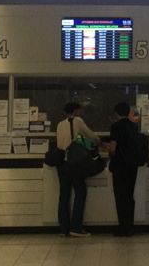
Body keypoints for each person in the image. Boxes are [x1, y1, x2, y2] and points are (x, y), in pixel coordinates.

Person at [55, 102, 99, 238]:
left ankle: (63, 229)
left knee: (64, 195)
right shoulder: (77, 121)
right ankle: (76, 227)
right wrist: (99, 141)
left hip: (61, 162)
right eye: (80, 110)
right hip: (74, 164)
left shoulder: (60, 124)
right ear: (75, 110)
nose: (81, 112)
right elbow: (90, 136)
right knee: (80, 193)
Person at [106, 102, 141, 237]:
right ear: (128, 113)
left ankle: (123, 228)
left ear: (116, 113)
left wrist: (109, 152)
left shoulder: (115, 127)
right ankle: (130, 227)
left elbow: (113, 149)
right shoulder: (134, 126)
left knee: (120, 197)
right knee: (129, 196)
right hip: (132, 166)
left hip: (120, 166)